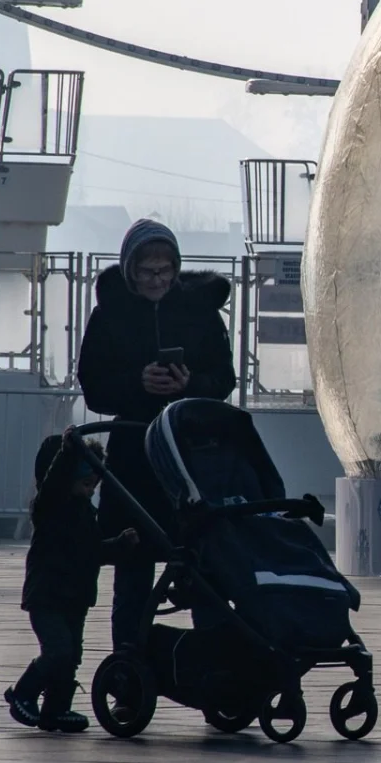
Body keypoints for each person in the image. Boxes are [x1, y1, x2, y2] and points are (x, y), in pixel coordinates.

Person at [76, 220, 235, 658]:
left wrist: (189, 384)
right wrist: (137, 383)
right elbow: (93, 385)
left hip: (191, 458)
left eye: (165, 271)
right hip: (133, 459)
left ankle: (216, 668)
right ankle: (128, 668)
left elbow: (224, 378)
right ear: (130, 271)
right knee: (133, 568)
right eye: (148, 271)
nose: (157, 280)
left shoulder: (200, 311)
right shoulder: (110, 315)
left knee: (206, 567)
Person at [5, 429, 137, 733]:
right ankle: (23, 692)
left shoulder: (86, 516)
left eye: (93, 486)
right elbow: (55, 478)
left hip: (75, 597)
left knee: (72, 656)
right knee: (58, 651)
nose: (90, 491)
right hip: (48, 595)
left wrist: (120, 545)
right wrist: (68, 452)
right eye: (85, 484)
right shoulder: (50, 507)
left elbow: (94, 552)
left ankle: (57, 707)